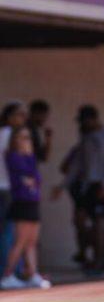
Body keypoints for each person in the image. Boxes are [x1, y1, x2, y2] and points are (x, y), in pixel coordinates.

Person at [72, 105, 104, 273]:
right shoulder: (85, 137)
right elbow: (78, 163)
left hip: (101, 184)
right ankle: (85, 252)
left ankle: (99, 260)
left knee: (99, 222)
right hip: (86, 184)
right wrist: (64, 183)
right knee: (79, 220)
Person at [1, 127, 50, 289]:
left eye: (28, 137)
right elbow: (23, 176)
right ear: (15, 140)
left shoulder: (30, 157)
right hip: (21, 201)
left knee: (32, 241)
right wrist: (29, 178)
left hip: (33, 201)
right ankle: (8, 274)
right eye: (22, 137)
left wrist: (29, 157)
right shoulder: (12, 156)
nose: (26, 141)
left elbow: (35, 178)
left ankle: (32, 274)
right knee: (20, 241)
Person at [0, 101, 26, 270]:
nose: (23, 118)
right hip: (9, 187)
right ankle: (11, 270)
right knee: (11, 230)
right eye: (20, 114)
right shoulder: (11, 134)